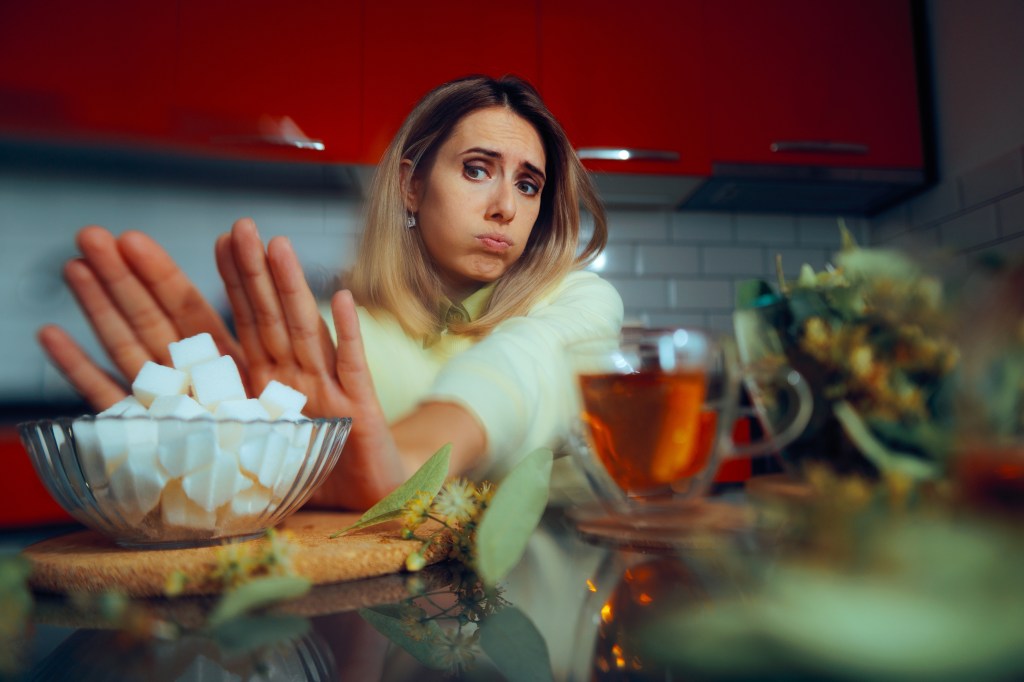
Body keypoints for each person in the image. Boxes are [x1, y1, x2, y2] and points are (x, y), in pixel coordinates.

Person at [37, 75, 624, 510]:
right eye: (476, 169)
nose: (505, 207)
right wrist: (208, 463)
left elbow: (528, 365)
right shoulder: (329, 343)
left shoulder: (580, 302)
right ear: (411, 185)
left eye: (528, 184)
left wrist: (405, 462)